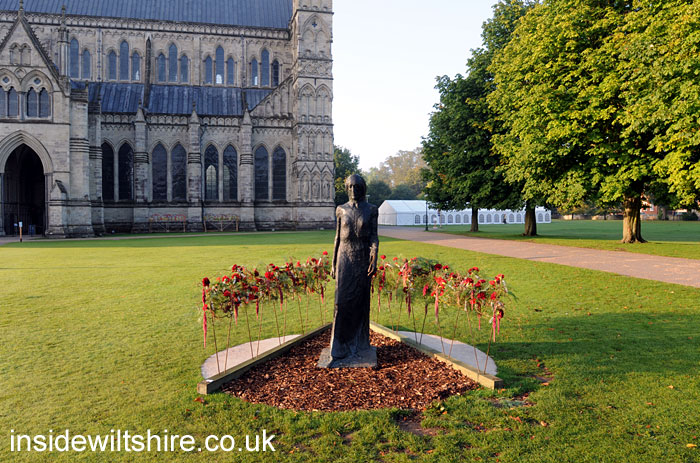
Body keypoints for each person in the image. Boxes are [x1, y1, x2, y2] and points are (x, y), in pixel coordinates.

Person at [324, 174, 378, 366]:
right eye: (350, 187)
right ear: (347, 188)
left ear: (363, 188)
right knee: (341, 302)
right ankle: (338, 347)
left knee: (361, 302)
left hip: (362, 258)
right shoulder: (341, 209)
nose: (354, 190)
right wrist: (333, 263)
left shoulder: (371, 210)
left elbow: (373, 236)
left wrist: (374, 257)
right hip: (344, 258)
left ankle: (360, 345)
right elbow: (337, 238)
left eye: (357, 186)